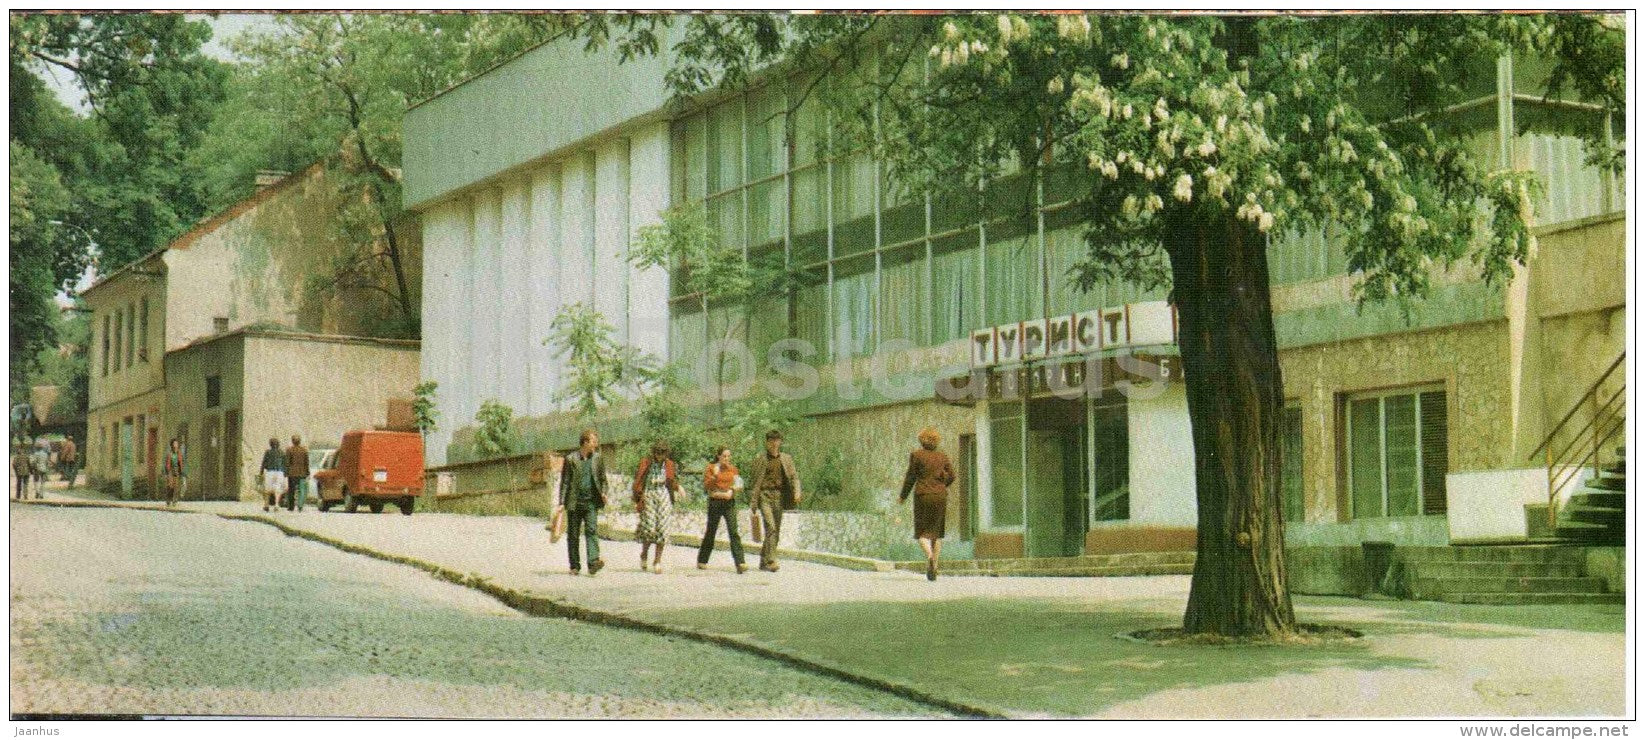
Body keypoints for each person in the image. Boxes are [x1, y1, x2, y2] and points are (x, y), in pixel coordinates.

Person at [900, 426, 957, 581]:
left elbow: (910, 477)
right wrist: (941, 485)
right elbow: (952, 476)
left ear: (921, 440)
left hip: (923, 495)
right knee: (936, 533)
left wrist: (903, 496)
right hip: (940, 496)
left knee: (922, 533)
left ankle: (930, 556)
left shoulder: (916, 455)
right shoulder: (942, 457)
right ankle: (935, 567)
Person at [746, 429, 802, 572]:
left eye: (776, 441)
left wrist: (797, 491)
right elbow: (754, 481)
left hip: (779, 496)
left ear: (780, 442)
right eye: (771, 441)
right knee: (770, 527)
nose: (774, 444)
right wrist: (753, 501)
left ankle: (763, 562)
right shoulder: (760, 459)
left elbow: (794, 477)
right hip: (765, 495)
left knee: (775, 530)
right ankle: (771, 561)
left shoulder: (786, 458)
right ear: (767, 443)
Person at [558, 429, 607, 576]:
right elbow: (565, 482)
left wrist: (604, 493)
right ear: (585, 442)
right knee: (573, 534)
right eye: (593, 441)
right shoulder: (571, 459)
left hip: (591, 502)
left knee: (592, 531)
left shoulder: (598, 459)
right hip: (574, 502)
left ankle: (593, 563)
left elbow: (603, 480)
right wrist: (561, 502)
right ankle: (574, 566)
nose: (596, 444)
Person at [632, 440, 681, 574]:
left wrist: (678, 488)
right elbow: (638, 480)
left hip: (663, 494)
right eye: (658, 453)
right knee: (650, 528)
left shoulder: (669, 464)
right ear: (654, 453)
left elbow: (672, 481)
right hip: (649, 493)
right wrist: (637, 498)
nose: (660, 456)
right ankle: (644, 553)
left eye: (663, 454)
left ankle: (657, 561)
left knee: (663, 528)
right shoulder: (646, 462)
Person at [697, 446, 748, 574]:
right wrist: (714, 475)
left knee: (733, 530)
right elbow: (707, 486)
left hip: (729, 502)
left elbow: (739, 484)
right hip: (715, 502)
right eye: (724, 456)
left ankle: (740, 562)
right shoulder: (711, 468)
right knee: (711, 531)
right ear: (719, 456)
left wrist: (732, 491)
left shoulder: (733, 469)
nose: (726, 458)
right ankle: (702, 559)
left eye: (728, 456)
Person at [259, 438, 286, 512]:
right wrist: (285, 474)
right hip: (280, 472)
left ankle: (266, 505)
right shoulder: (282, 452)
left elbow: (264, 463)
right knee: (278, 489)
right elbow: (285, 464)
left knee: (267, 489)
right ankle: (276, 504)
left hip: (270, 472)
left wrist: (261, 472)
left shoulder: (268, 452)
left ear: (270, 444)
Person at [284, 435, 309, 512]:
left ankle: (291, 506)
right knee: (301, 490)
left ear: (292, 441)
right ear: (300, 441)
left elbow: (287, 462)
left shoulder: (289, 450)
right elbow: (306, 462)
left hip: (292, 474)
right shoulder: (304, 450)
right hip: (302, 473)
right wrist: (307, 471)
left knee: (291, 490)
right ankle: (300, 505)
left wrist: (286, 471)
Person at [162, 438, 185, 507]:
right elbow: (167, 464)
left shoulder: (179, 453)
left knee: (176, 486)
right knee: (170, 486)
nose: (175, 445)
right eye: (174, 444)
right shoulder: (170, 454)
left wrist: (181, 471)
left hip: (177, 471)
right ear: (171, 445)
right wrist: (167, 472)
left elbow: (181, 463)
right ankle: (169, 500)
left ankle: (174, 501)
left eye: (176, 444)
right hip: (170, 471)